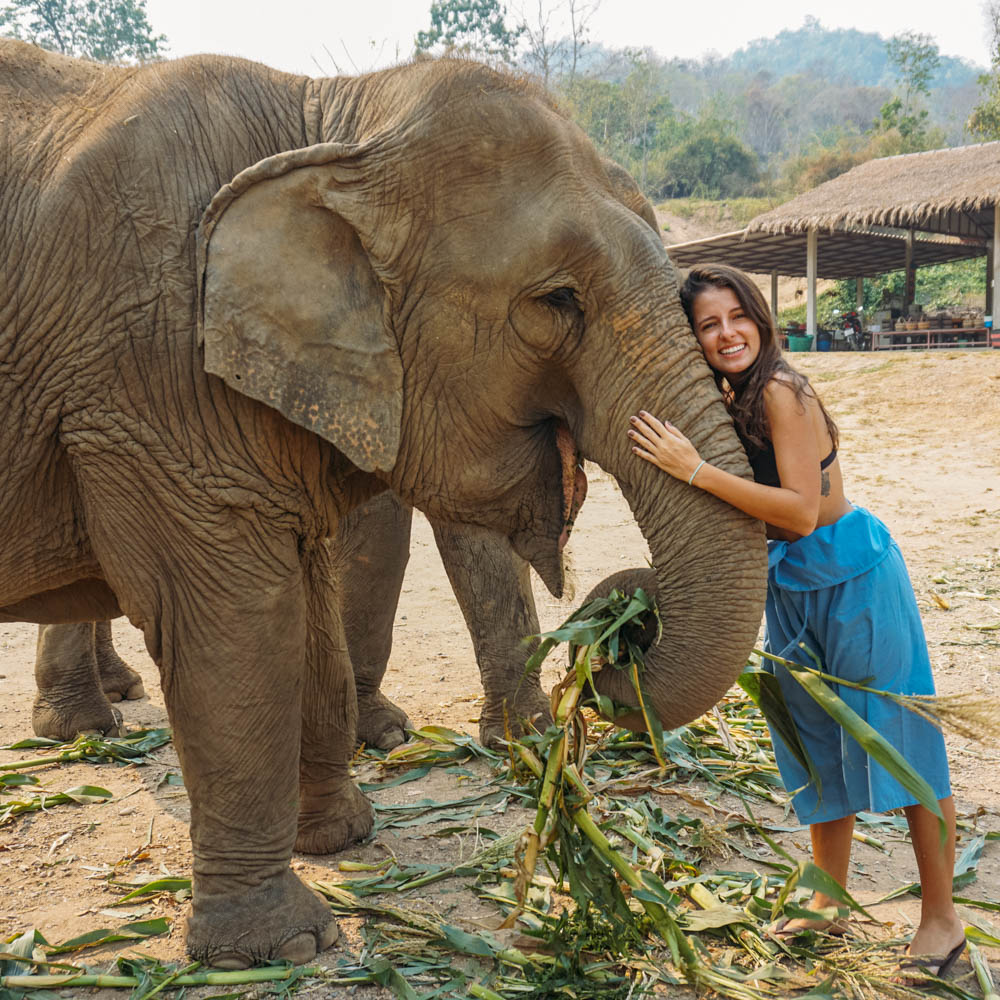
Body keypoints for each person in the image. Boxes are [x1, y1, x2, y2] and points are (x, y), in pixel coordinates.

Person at [627, 263, 965, 981]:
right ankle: (826, 897)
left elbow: (800, 511)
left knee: (902, 742)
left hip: (853, 576)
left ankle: (942, 919)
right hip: (791, 584)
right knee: (813, 742)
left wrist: (693, 470)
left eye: (735, 317)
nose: (725, 334)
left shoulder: (781, 390)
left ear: (759, 317)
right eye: (707, 326)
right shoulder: (731, 394)